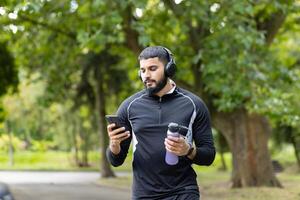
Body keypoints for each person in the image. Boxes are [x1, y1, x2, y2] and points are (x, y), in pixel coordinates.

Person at [106, 46, 215, 200]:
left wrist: (188, 151)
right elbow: (115, 161)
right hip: (144, 194)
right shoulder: (129, 106)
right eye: (143, 70)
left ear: (169, 69)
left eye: (152, 69)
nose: (146, 76)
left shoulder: (194, 104)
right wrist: (114, 145)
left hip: (183, 191)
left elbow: (209, 155)